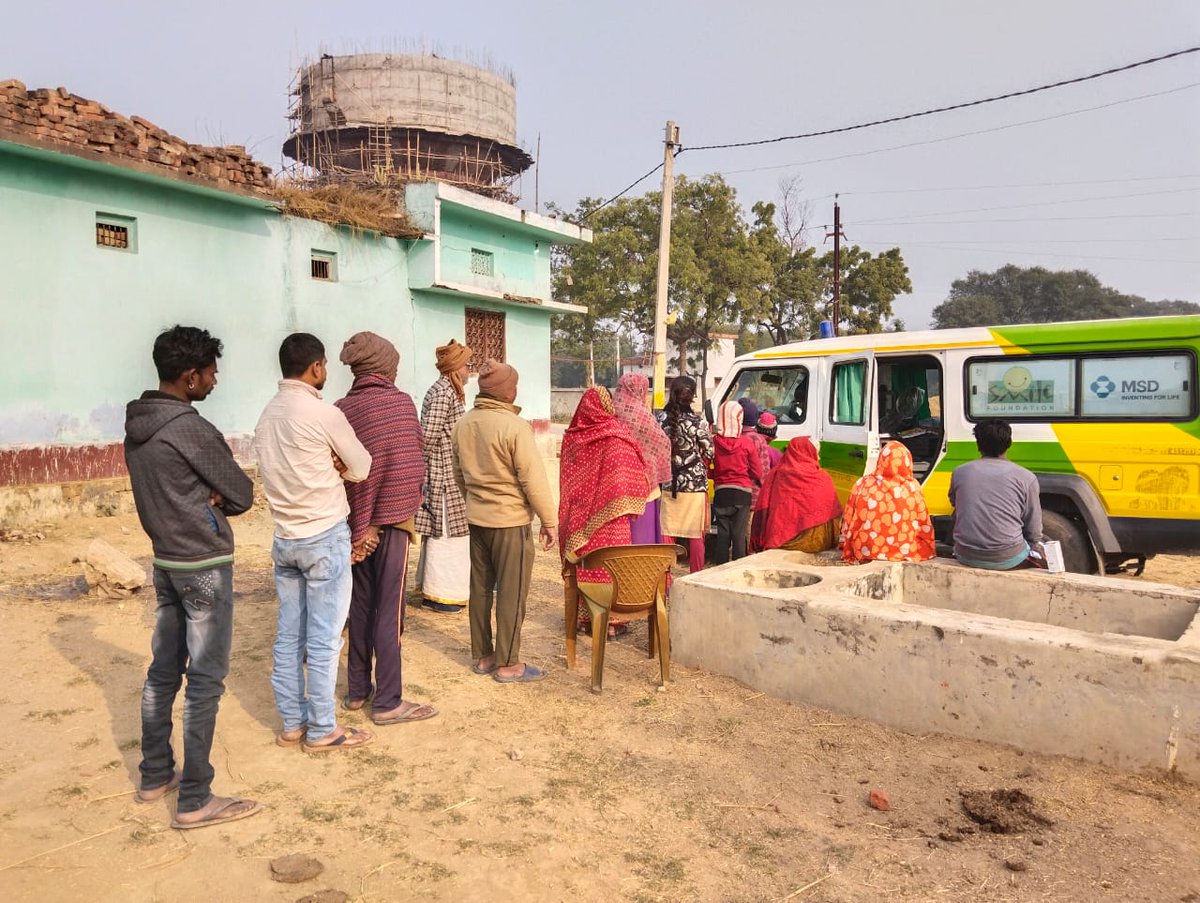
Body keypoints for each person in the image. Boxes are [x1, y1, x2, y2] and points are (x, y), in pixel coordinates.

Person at [125, 325, 261, 830]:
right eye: (210, 372)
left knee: (163, 672)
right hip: (203, 567)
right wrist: (217, 500)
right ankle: (196, 798)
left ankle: (155, 774)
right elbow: (242, 492)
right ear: (190, 376)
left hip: (164, 561)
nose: (215, 380)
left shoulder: (137, 422)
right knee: (204, 681)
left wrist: (207, 497)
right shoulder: (190, 427)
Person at [254, 333, 375, 753]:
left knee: (289, 636)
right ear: (317, 368)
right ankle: (323, 728)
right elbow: (361, 467)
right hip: (323, 536)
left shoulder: (266, 416)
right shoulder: (323, 414)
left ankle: (292, 723)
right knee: (324, 639)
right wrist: (338, 465)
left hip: (285, 538)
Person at [335, 332, 437, 726]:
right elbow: (411, 467)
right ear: (383, 367)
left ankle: (358, 690)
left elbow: (342, 471)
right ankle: (389, 700)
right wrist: (378, 523)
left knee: (358, 604)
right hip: (392, 524)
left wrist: (362, 527)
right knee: (389, 609)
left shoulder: (341, 409)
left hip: (351, 525)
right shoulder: (400, 404)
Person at [452, 359, 557, 683]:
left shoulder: (464, 424)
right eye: (514, 385)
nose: (516, 390)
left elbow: (459, 475)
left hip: (478, 519)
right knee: (511, 593)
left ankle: (484, 656)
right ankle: (509, 664)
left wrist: (476, 500)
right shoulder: (515, 427)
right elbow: (533, 480)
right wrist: (549, 522)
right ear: (505, 391)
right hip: (509, 522)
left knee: (481, 590)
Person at [559, 386, 650, 636]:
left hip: (579, 519)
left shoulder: (572, 438)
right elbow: (633, 477)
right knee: (609, 567)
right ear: (608, 406)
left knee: (585, 567)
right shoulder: (617, 434)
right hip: (613, 518)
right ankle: (611, 623)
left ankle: (585, 619)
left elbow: (568, 481)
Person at [414, 339, 473, 613]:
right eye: (465, 365)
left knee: (452, 536)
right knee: (446, 535)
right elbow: (427, 438)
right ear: (455, 368)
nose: (468, 370)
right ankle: (441, 596)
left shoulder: (451, 390)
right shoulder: (442, 393)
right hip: (443, 478)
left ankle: (442, 593)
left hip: (451, 475)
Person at [949, 419, 1046, 569]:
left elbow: (955, 503)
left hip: (965, 555)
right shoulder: (1026, 477)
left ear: (978, 444)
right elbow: (1034, 530)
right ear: (1009, 443)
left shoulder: (959, 472)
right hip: (1009, 558)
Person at [840, 441, 936, 563]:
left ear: (881, 460)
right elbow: (924, 524)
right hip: (905, 550)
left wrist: (846, 543)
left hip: (866, 550)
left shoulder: (862, 484)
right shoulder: (912, 487)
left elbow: (848, 519)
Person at [656, 376, 714, 573]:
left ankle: (665, 580)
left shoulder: (660, 421)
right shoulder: (698, 423)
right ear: (692, 396)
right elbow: (710, 453)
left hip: (668, 482)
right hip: (694, 485)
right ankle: (695, 577)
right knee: (696, 535)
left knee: (667, 533)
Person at [751, 437, 842, 553]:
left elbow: (768, 505)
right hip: (819, 544)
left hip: (783, 542)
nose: (818, 458)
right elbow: (833, 511)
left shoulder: (778, 475)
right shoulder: (822, 478)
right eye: (816, 454)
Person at [611, 373, 671, 544]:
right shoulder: (643, 415)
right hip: (645, 489)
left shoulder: (610, 412)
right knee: (643, 542)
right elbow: (663, 443)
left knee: (622, 542)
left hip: (617, 488)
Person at [709, 401, 764, 564]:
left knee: (723, 535)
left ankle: (719, 570)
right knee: (739, 536)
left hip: (721, 493)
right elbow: (757, 472)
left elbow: (708, 469)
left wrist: (717, 474)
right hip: (742, 494)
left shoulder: (714, 442)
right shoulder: (746, 443)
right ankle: (737, 570)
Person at [737, 398, 774, 493]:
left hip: (734, 491)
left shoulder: (733, 436)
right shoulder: (758, 439)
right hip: (755, 493)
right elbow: (764, 470)